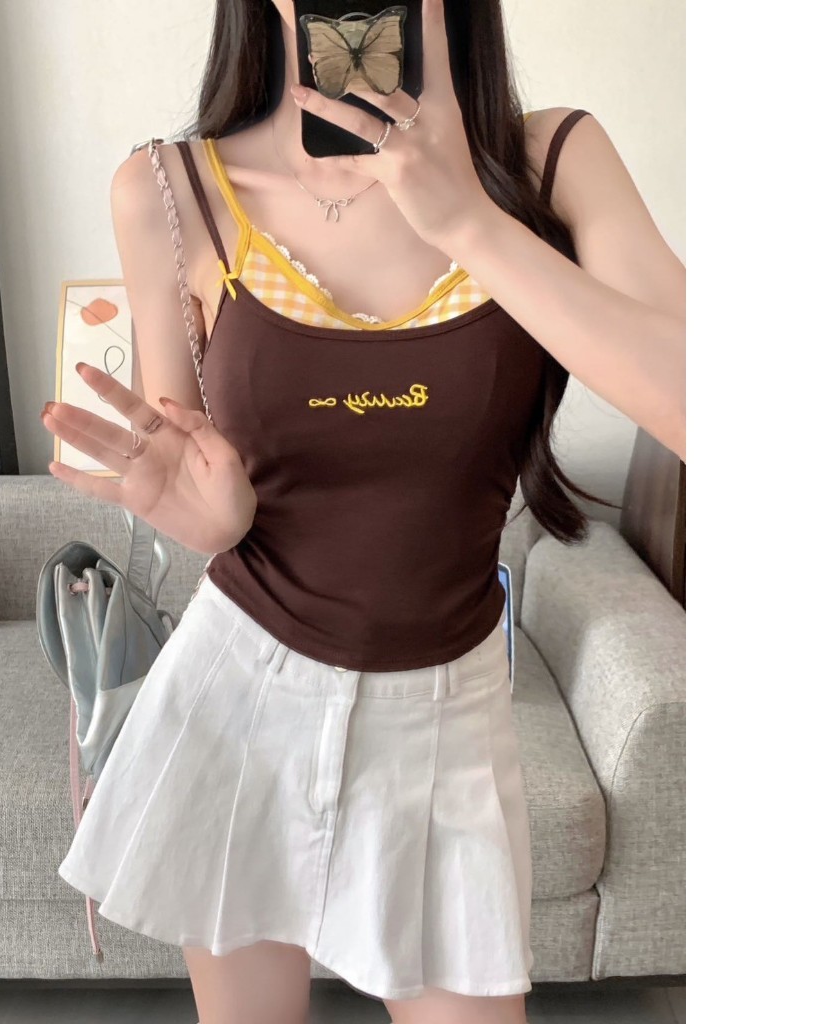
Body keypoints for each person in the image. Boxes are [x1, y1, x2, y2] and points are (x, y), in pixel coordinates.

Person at [41, 2, 686, 1022]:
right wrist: (207, 513)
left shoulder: (551, 161)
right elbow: (198, 488)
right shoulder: (169, 189)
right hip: (238, 695)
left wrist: (470, 221)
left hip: (448, 714)